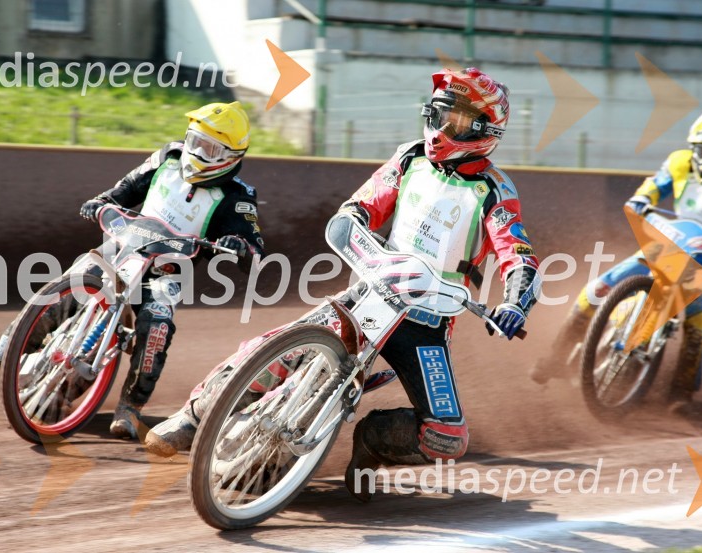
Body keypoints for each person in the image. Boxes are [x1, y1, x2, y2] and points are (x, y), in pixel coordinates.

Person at [144, 68, 542, 502]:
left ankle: (371, 442)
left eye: (459, 121)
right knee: (283, 346)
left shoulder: (496, 191)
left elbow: (517, 255)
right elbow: (359, 207)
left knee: (447, 437)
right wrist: (357, 229)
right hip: (372, 291)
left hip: (426, 323)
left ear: (486, 129)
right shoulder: (409, 157)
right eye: (440, 114)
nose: (444, 128)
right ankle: (193, 415)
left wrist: (515, 303)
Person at [0, 101, 265, 439]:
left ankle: (130, 407)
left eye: (206, 147)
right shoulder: (169, 157)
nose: (194, 151)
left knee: (156, 326)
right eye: (194, 139)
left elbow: (253, 243)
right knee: (62, 289)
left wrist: (240, 245)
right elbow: (126, 188)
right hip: (121, 246)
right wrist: (102, 201)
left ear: (229, 156)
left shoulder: (239, 196)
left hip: (166, 271)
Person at [530, 107, 702, 408]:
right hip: (669, 244)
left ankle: (681, 393)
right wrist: (643, 199)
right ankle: (555, 358)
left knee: (701, 321)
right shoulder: (679, 162)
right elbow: (653, 187)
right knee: (599, 288)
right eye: (701, 150)